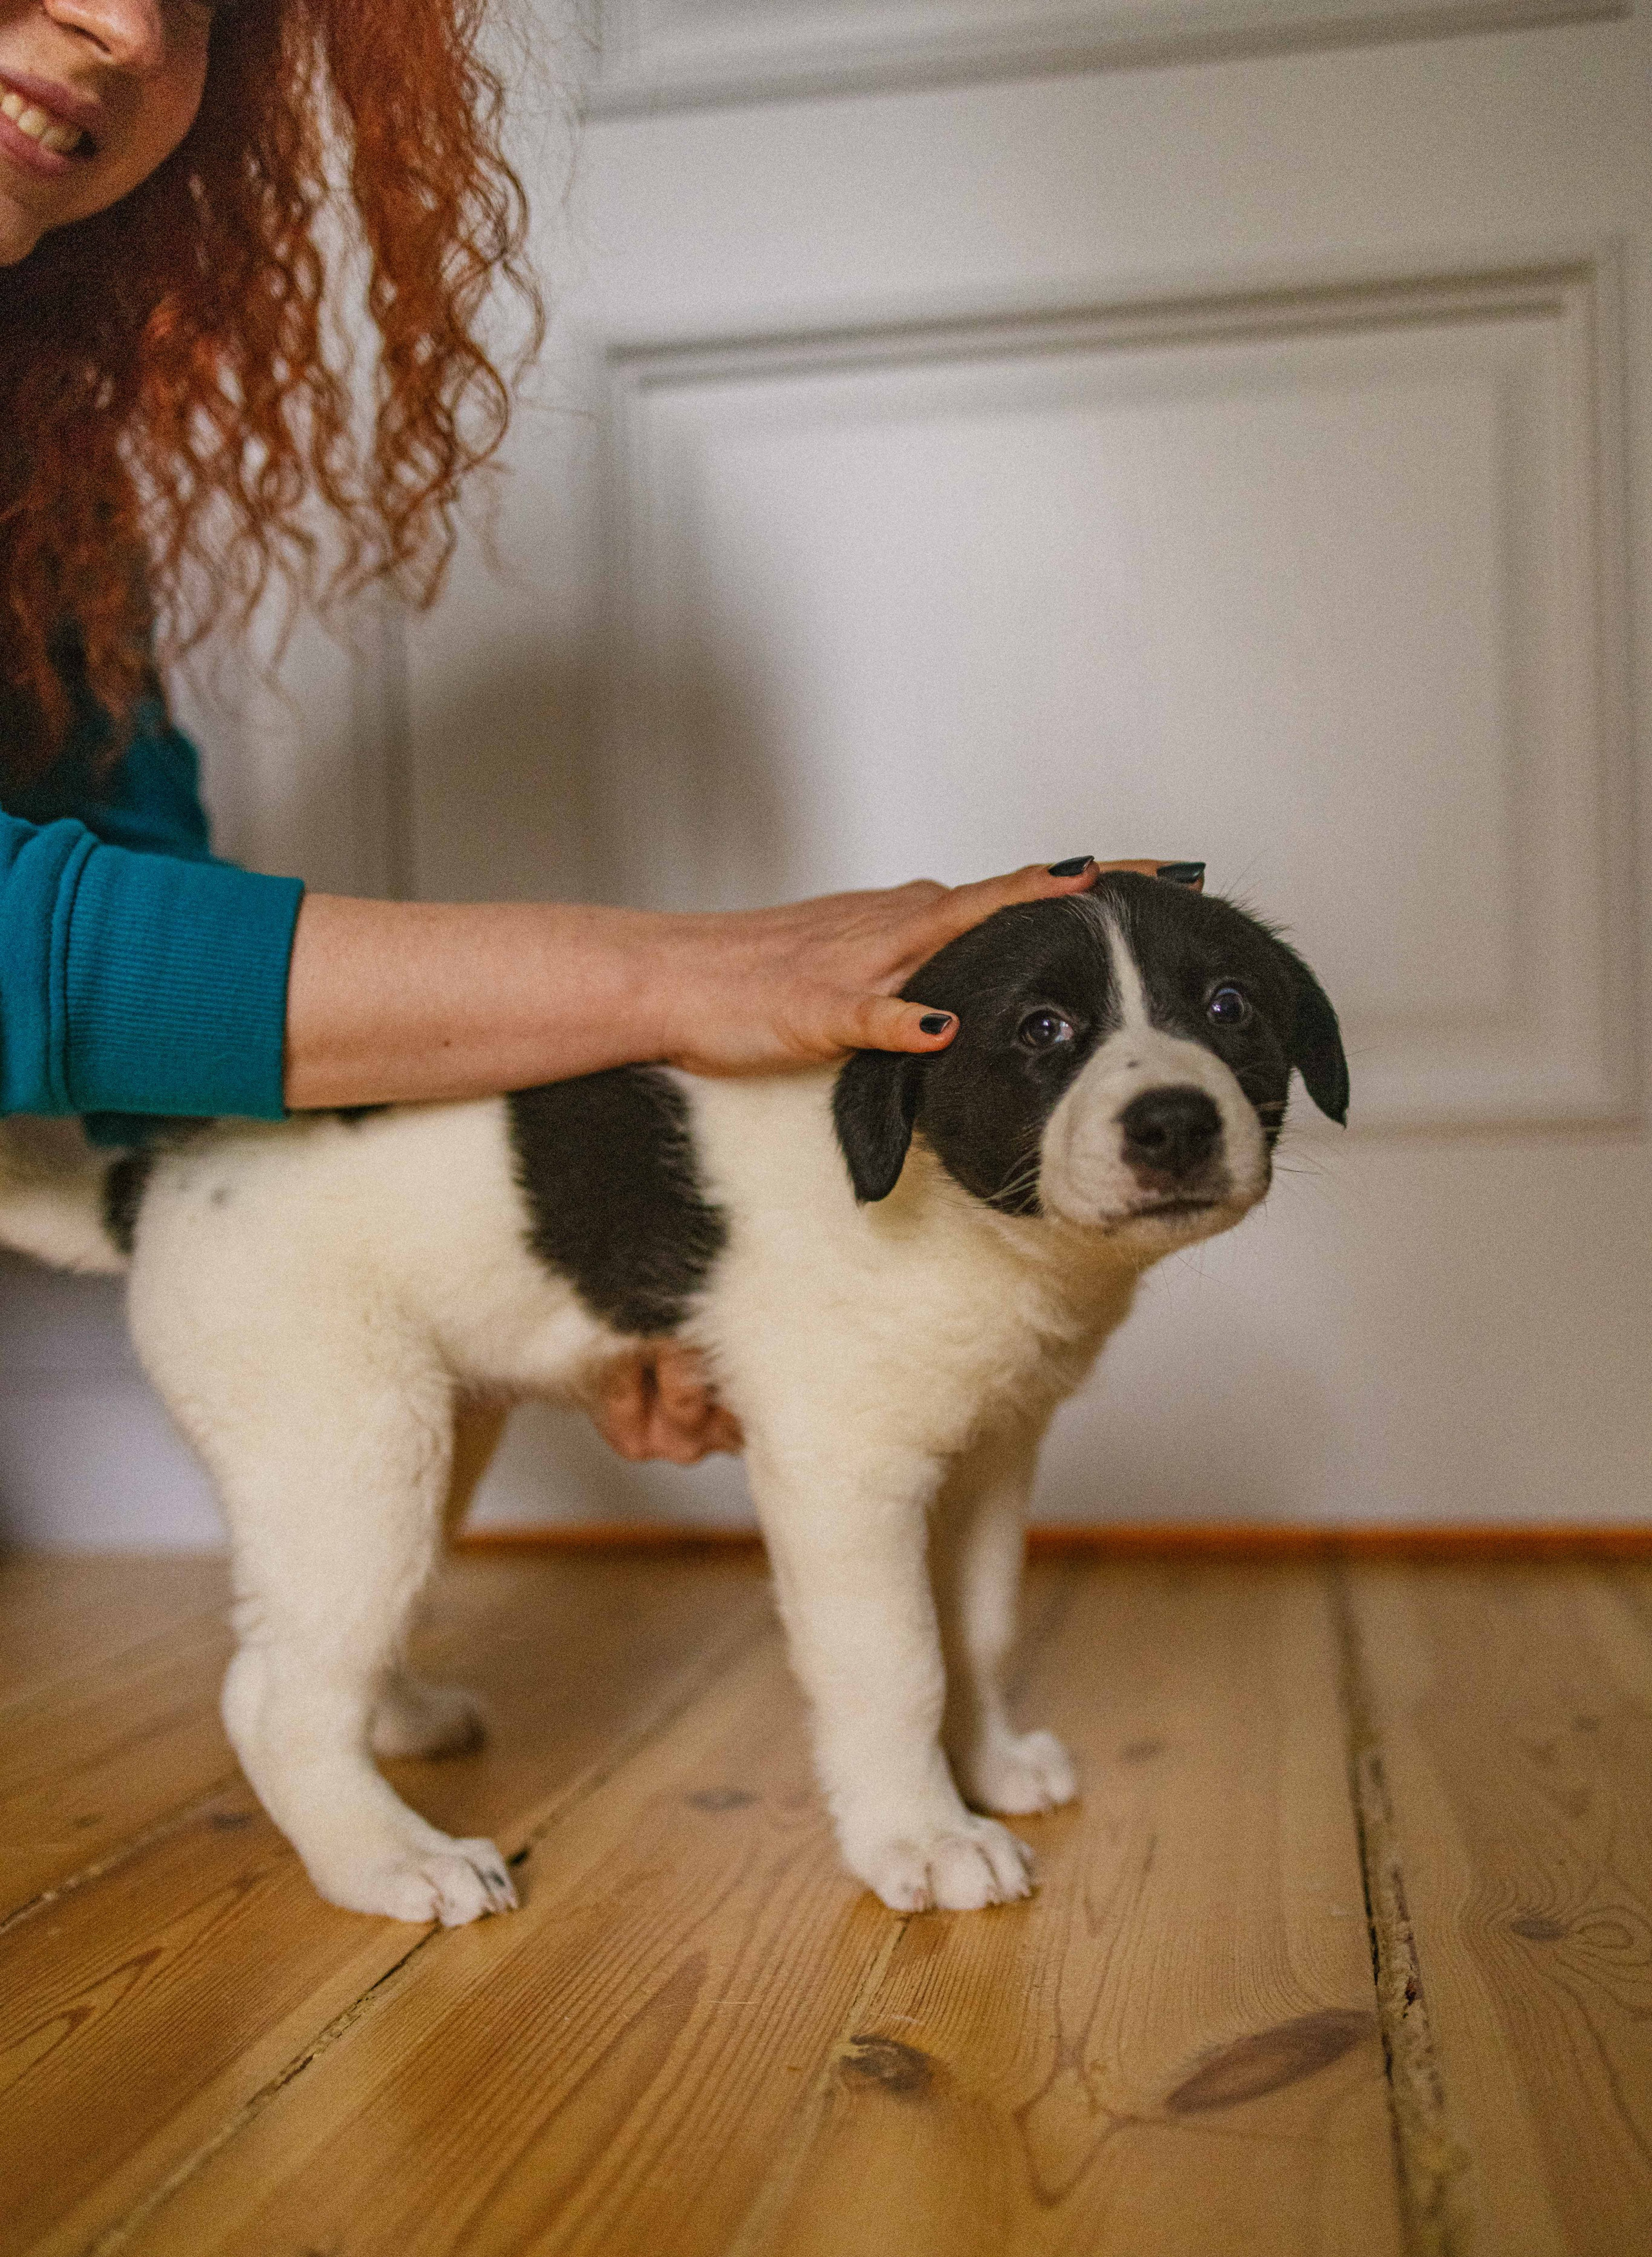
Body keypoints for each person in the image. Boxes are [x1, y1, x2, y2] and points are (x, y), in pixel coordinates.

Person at [0, 0, 1160, 1479]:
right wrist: (683, 977)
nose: (125, 25)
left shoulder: (44, 474)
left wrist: (569, 1233)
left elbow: (129, 960)